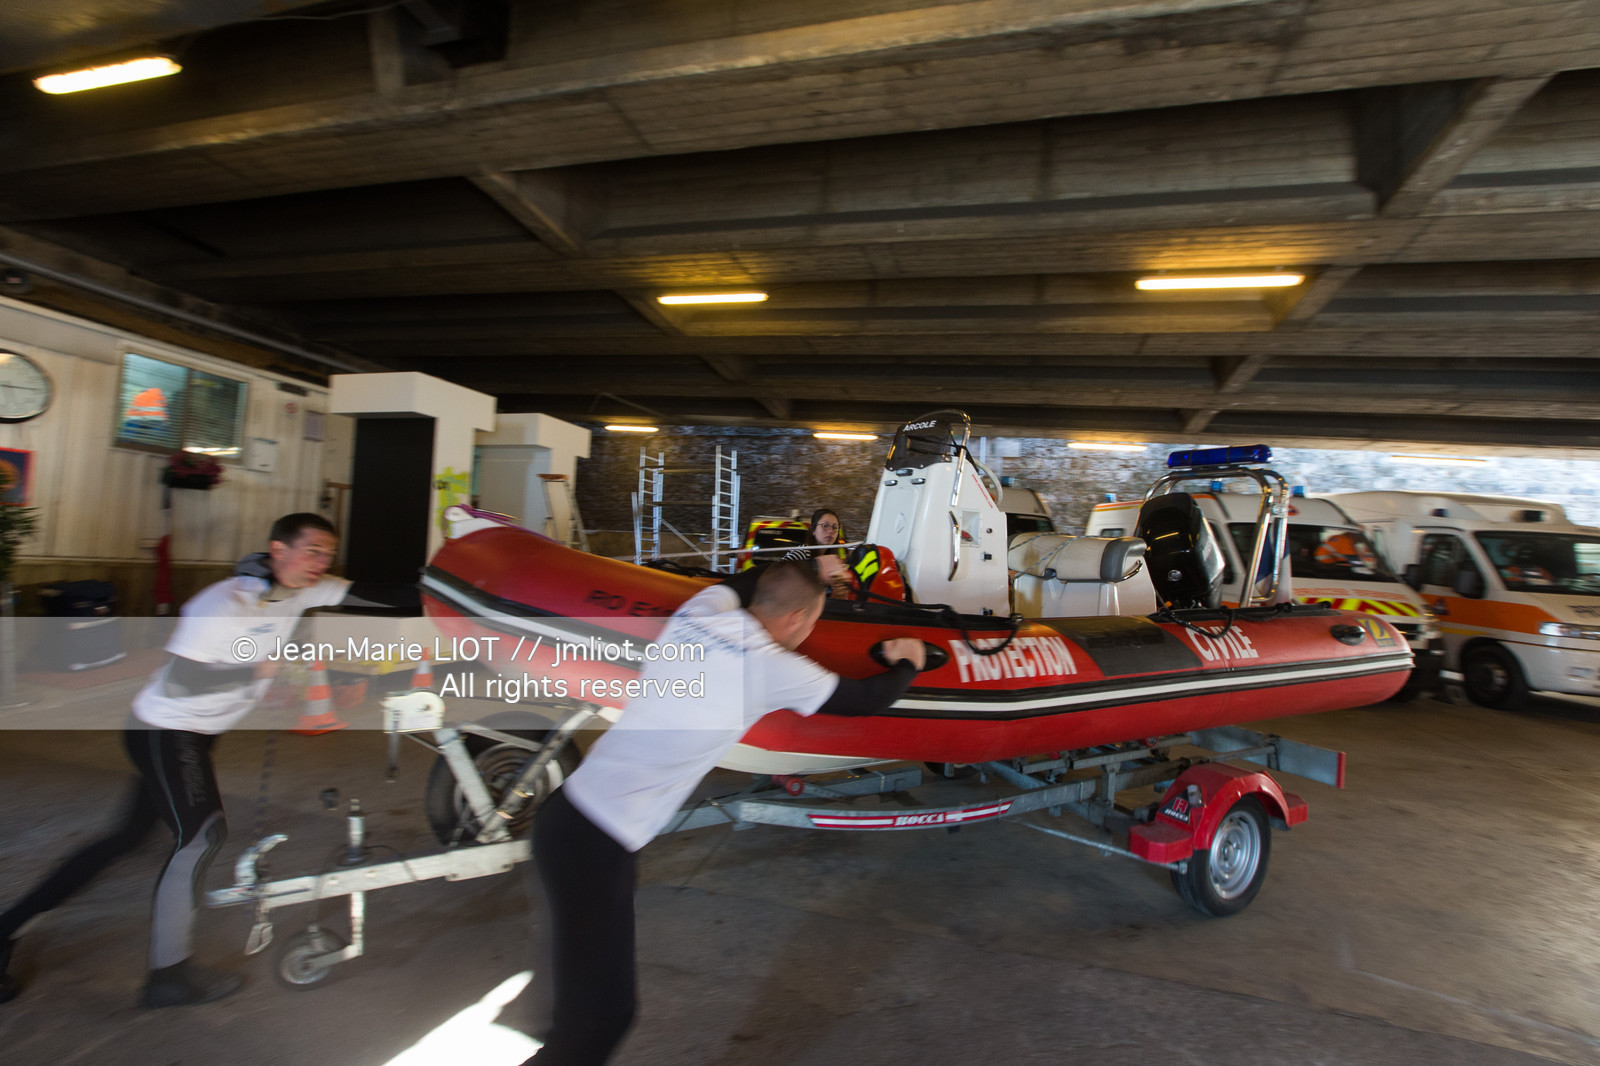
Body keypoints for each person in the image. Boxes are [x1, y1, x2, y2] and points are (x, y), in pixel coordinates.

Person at [0, 513, 416, 1008]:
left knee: (124, 840)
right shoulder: (220, 604)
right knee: (201, 836)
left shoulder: (303, 589)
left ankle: (6, 930)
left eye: (327, 553)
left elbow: (384, 596)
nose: (321, 563)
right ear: (278, 550)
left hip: (194, 734)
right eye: (312, 551)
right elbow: (182, 682)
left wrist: (458, 590)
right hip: (165, 731)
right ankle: (168, 977)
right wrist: (258, 671)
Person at [526, 561, 925, 1065]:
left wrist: (808, 570)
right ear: (800, 617)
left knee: (589, 1016)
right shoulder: (769, 665)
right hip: (594, 844)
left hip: (573, 822)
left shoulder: (699, 614)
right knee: (598, 1021)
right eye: (814, 621)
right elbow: (865, 698)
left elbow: (734, 586)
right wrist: (908, 661)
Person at [780, 508, 853, 596]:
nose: (830, 531)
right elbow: (779, 575)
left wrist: (837, 593)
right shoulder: (801, 552)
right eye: (825, 525)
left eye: (835, 527)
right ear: (813, 530)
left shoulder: (832, 559)